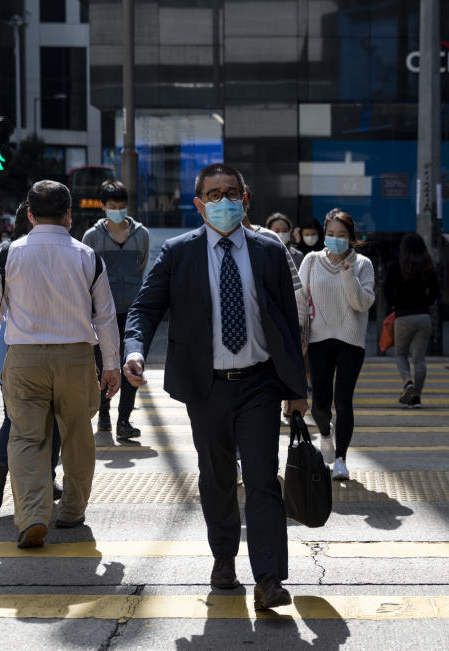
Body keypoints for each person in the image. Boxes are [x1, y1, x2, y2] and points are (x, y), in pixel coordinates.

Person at [123, 163, 307, 609]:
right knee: (217, 477)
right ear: (199, 203)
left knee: (263, 479)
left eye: (231, 193)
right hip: (206, 387)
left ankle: (268, 578)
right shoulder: (178, 252)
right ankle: (223, 557)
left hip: (260, 383)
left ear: (245, 200)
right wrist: (134, 349)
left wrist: (297, 388)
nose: (223, 201)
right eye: (214, 194)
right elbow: (144, 309)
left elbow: (288, 322)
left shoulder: (269, 250)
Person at [0, 180, 121, 548]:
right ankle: (71, 510)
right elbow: (105, 317)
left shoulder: (10, 255)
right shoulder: (89, 257)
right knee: (76, 435)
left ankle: (33, 517)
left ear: (29, 214)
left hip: (24, 359)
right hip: (75, 357)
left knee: (25, 438)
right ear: (69, 215)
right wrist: (112, 365)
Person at [0, 202, 62, 511]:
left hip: (5, 346)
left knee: (11, 414)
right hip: (44, 345)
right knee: (50, 417)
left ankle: (1, 465)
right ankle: (48, 476)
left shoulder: (3, 251)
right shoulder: (56, 250)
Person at [297, 208, 376, 479]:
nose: (335, 239)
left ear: (351, 237)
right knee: (320, 402)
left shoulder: (362, 264)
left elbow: (362, 303)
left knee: (343, 401)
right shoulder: (310, 260)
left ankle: (341, 459)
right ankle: (325, 433)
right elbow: (300, 297)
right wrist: (297, 332)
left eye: (341, 235)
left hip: (350, 340)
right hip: (318, 339)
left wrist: (347, 274)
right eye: (330, 234)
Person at [82, 180, 150, 439]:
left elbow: (141, 265)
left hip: (133, 310)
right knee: (103, 364)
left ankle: (124, 420)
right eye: (112, 206)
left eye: (122, 206)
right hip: (102, 313)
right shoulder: (92, 236)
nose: (118, 211)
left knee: (132, 364)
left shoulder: (141, 234)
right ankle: (104, 414)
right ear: (103, 206)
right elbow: (87, 272)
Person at [383, 232, 440, 408]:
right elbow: (436, 293)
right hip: (423, 317)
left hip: (403, 317)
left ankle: (408, 382)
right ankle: (416, 398)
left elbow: (386, 290)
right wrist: (425, 303)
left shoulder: (395, 266)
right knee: (419, 359)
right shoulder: (428, 266)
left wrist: (394, 305)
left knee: (400, 354)